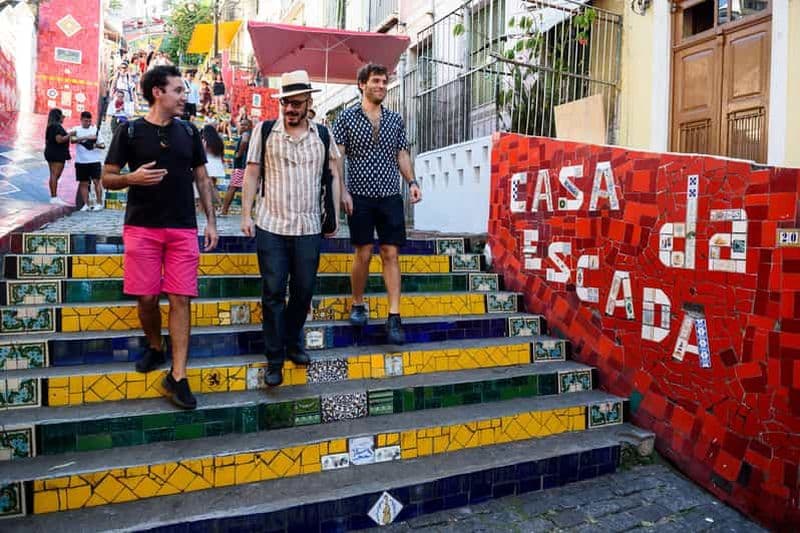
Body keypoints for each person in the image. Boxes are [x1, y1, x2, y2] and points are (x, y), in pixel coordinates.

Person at [102, 64, 219, 409]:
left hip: (183, 229)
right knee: (147, 299)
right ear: (158, 92)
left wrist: (211, 222)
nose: (185, 96)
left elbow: (202, 179)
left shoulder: (189, 131)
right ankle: (155, 345)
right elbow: (107, 177)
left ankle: (178, 376)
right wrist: (131, 179)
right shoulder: (130, 131)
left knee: (181, 298)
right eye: (179, 90)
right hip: (142, 228)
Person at [241, 70, 341, 387]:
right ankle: (275, 358)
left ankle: (293, 340)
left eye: (296, 103)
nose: (290, 109)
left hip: (308, 226)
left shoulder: (322, 135)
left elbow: (334, 175)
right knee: (273, 292)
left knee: (303, 291)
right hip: (271, 223)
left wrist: (334, 216)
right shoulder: (265, 131)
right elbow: (252, 173)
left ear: (308, 102)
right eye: (286, 103)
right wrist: (246, 214)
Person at [332, 63, 422, 345]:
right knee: (363, 252)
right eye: (376, 81)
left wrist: (412, 182)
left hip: (390, 195)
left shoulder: (395, 119)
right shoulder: (346, 117)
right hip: (359, 195)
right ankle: (358, 303)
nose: (382, 86)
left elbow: (402, 154)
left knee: (390, 253)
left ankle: (394, 316)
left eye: (384, 82)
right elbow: (337, 159)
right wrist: (342, 191)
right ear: (362, 84)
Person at [69, 111, 105, 211]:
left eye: (89, 121)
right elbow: (72, 140)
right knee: (83, 183)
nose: (88, 123)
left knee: (96, 182)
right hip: (81, 161)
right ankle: (86, 204)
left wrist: (95, 145)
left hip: (95, 161)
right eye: (86, 121)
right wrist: (86, 137)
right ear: (81, 120)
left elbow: (103, 145)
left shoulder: (95, 130)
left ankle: (99, 203)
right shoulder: (76, 129)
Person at [221, 117, 250, 215]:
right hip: (245, 166)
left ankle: (224, 211)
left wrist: (239, 154)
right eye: (241, 125)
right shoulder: (249, 134)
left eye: (245, 125)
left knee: (232, 187)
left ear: (250, 126)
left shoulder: (246, 134)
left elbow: (244, 141)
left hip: (241, 166)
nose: (242, 127)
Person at [44, 108, 71, 205]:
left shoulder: (50, 126)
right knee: (55, 175)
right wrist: (70, 134)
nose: (63, 118)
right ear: (58, 116)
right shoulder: (56, 126)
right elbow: (59, 140)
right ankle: (54, 197)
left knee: (53, 175)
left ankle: (53, 196)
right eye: (62, 116)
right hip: (57, 153)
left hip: (50, 152)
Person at [201, 124, 225, 208]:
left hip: (209, 164)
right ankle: (215, 205)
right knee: (213, 185)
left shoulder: (205, 141)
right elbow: (222, 154)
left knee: (210, 186)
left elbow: (203, 153)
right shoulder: (219, 141)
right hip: (218, 164)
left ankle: (220, 204)